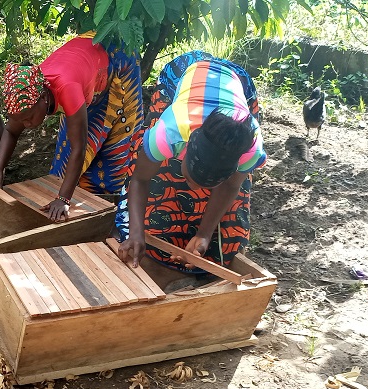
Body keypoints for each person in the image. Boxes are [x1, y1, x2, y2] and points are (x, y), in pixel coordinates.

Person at [114, 51, 266, 272]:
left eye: (206, 185)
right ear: (185, 148)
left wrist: (204, 234)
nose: (192, 187)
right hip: (184, 70)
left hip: (236, 80)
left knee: (236, 203)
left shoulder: (249, 149)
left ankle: (202, 244)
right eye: (190, 177)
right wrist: (136, 233)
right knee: (162, 179)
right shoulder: (170, 131)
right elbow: (140, 178)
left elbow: (232, 185)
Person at [0, 34, 143, 221]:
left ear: (43, 98)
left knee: (112, 150)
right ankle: (73, 193)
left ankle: (107, 215)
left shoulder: (67, 89)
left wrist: (63, 199)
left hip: (117, 62)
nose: (26, 125)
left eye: (28, 119)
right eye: (22, 121)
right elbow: (11, 131)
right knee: (66, 157)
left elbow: (79, 147)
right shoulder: (26, 96)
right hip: (82, 69)